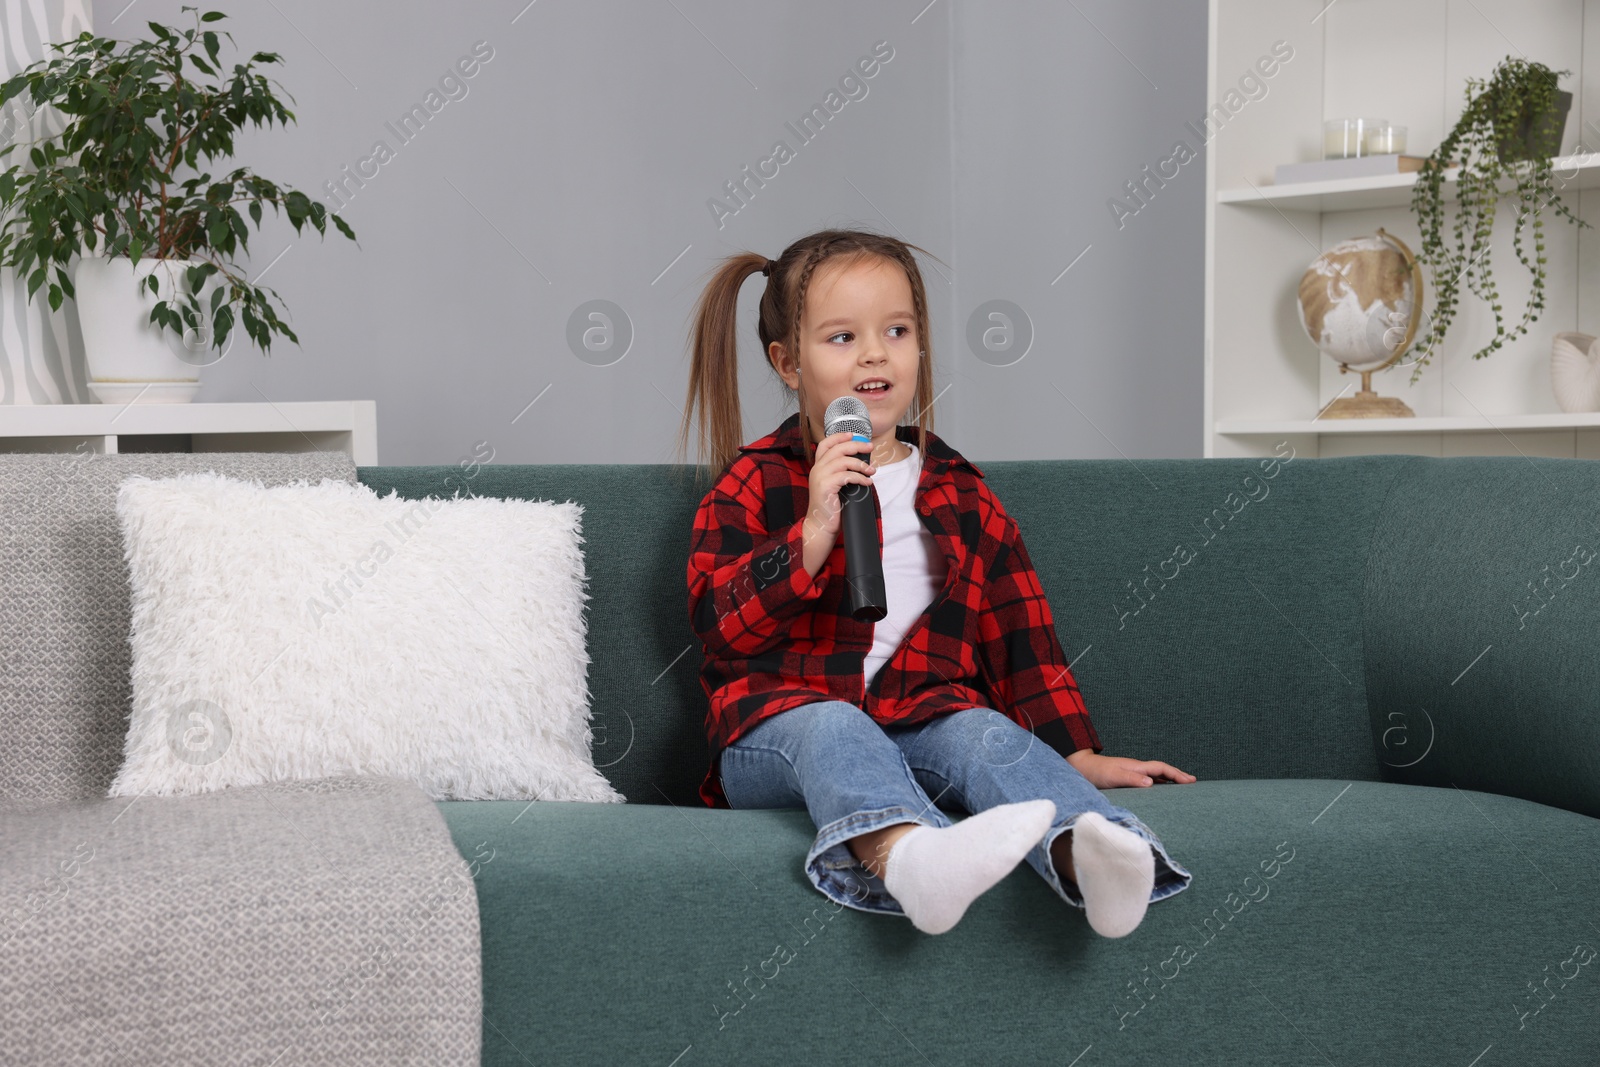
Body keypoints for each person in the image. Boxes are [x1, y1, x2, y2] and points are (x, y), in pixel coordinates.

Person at [674, 228, 1194, 938]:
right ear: (788, 363)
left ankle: (1089, 855)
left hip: (919, 718)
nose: (874, 353)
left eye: (897, 329)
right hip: (780, 732)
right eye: (841, 337)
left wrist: (1077, 753)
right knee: (836, 725)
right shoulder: (754, 481)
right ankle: (908, 855)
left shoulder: (962, 493)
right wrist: (810, 537)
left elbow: (1021, 637)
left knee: (985, 731)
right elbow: (717, 620)